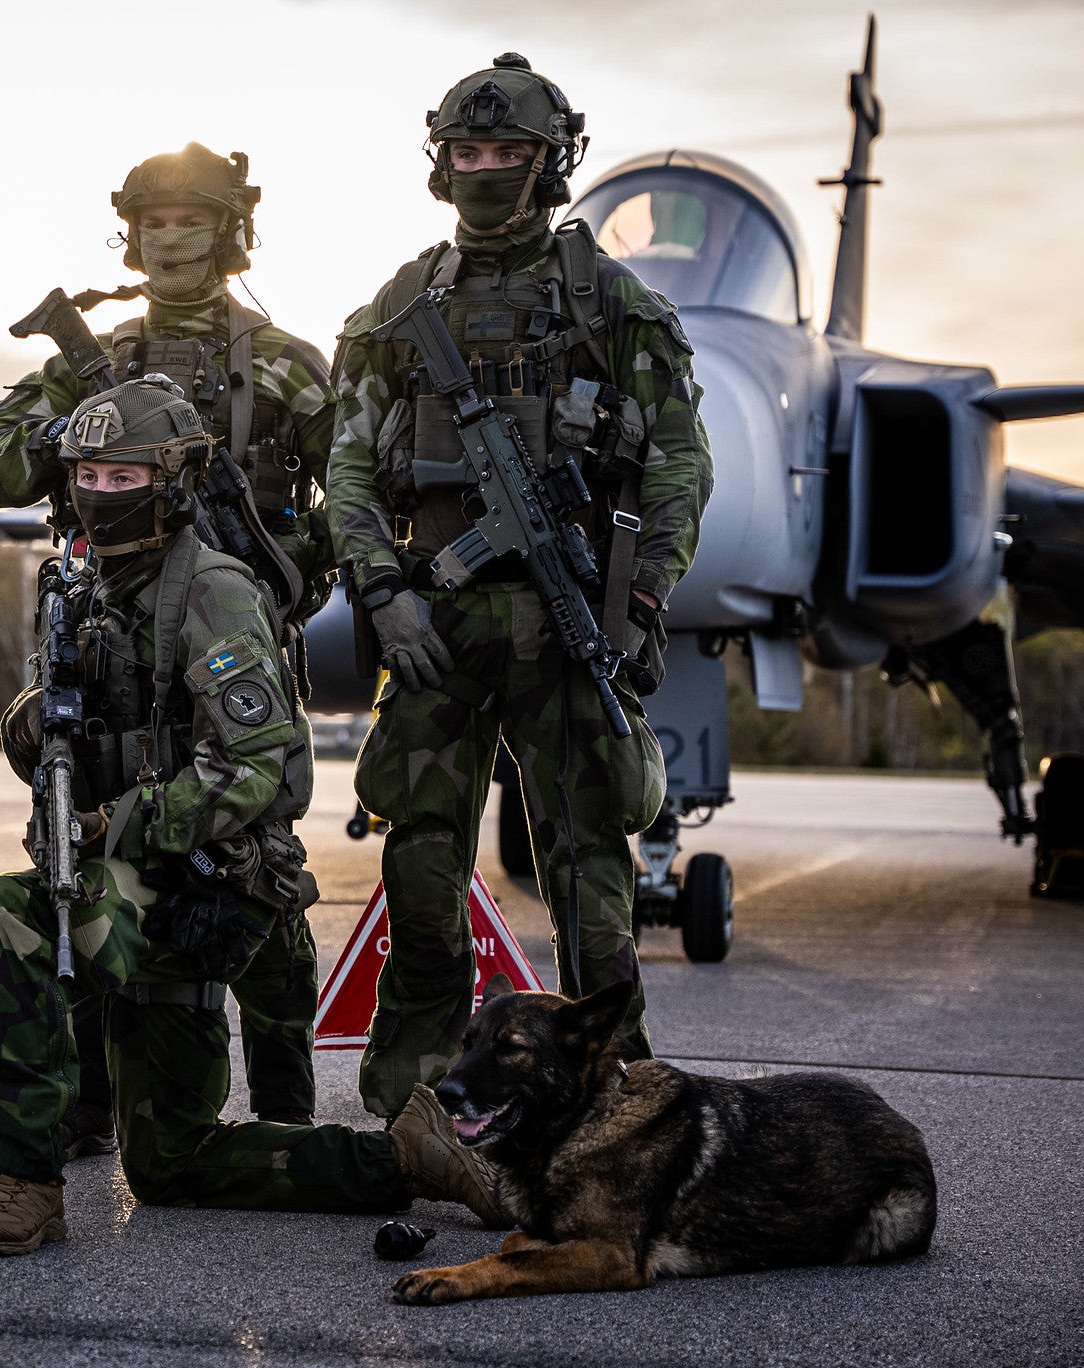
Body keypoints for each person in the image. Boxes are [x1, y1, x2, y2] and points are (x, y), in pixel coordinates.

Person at [0, 377, 506, 1256]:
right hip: (147, 879)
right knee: (169, 1167)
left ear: (171, 483)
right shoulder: (91, 588)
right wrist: (40, 727)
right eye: (86, 475)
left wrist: (115, 824)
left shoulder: (212, 593)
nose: (99, 493)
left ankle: (25, 1183)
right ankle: (406, 1158)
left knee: (13, 916)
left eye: (124, 478)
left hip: (217, 884)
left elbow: (254, 768)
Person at [326, 55, 712, 1116]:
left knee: (590, 866)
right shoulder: (398, 307)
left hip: (565, 619)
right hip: (433, 627)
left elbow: (678, 462)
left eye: (508, 153)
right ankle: (415, 1093)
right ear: (438, 165)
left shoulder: (610, 303)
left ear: (552, 166)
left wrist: (637, 602)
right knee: (420, 859)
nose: (485, 168)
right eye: (467, 151)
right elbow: (349, 467)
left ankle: (610, 1086)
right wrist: (382, 591)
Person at [0, 143, 334, 1151]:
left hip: (234, 627)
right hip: (108, 623)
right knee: (78, 825)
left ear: (229, 232)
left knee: (255, 850)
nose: (169, 237)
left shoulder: (281, 363)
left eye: (191, 219)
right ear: (127, 232)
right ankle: (88, 1092)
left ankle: (282, 1091)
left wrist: (286, 576)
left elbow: (352, 496)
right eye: (153, 219)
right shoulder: (91, 359)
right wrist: (93, 437)